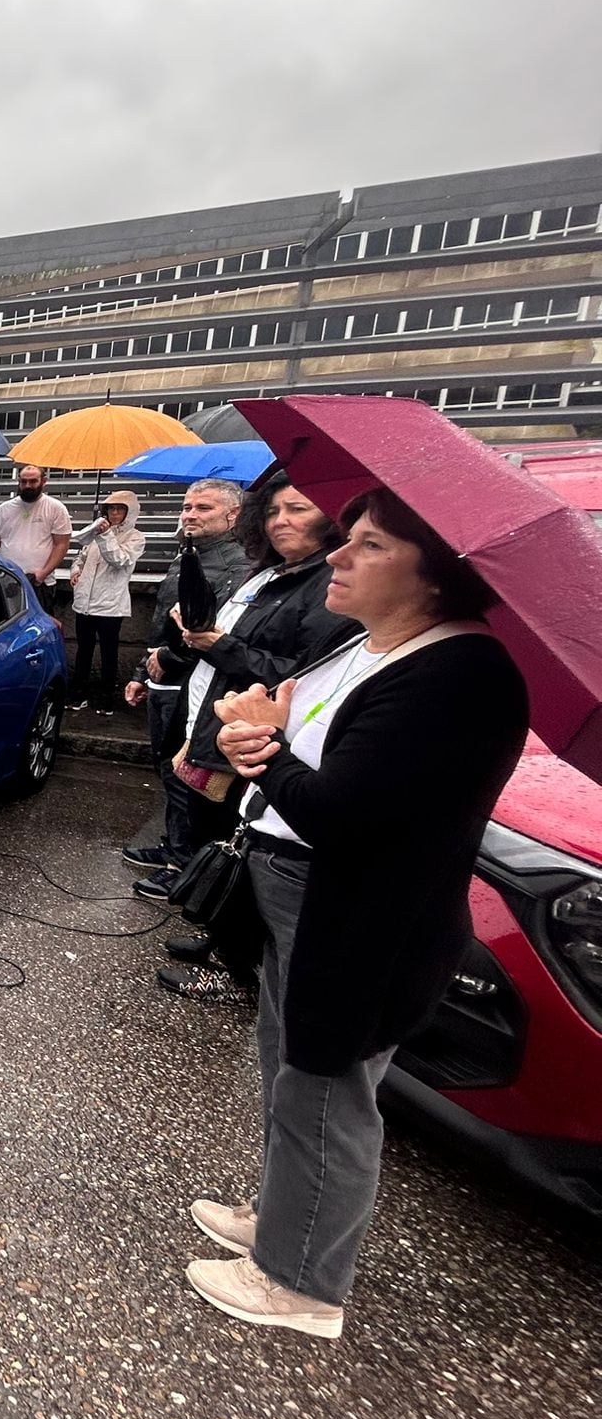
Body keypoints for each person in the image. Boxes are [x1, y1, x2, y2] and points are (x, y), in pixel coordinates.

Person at [188, 487, 527, 1339]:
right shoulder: (376, 645)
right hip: (303, 894)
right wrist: (252, 733)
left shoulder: (458, 674)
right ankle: (283, 1217)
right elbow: (291, 722)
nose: (338, 555)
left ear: (436, 573)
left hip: (358, 916)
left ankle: (302, 1281)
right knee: (289, 1069)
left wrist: (260, 757)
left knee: (327, 1090)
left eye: (369, 546)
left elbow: (346, 810)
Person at [139, 475, 357, 907]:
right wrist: (195, 631)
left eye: (297, 509)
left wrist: (220, 646)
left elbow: (303, 675)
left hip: (250, 735)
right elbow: (224, 634)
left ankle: (217, 929)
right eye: (274, 511)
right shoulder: (268, 573)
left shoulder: (326, 586)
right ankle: (200, 896)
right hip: (207, 717)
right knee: (199, 811)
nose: (281, 521)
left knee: (232, 831)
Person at [119, 479, 249, 877]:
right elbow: (164, 625)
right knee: (167, 767)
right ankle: (175, 847)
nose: (190, 514)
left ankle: (185, 864)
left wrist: (169, 659)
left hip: (194, 685)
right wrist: (144, 671)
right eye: (187, 507)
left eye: (203, 508)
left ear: (233, 516)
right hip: (163, 681)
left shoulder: (237, 569)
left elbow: (222, 635)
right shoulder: (186, 556)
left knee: (188, 774)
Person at [65, 489, 144, 711]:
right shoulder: (96, 533)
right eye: (111, 509)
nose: (115, 513)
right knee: (83, 651)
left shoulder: (135, 537)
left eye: (120, 509)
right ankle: (79, 693)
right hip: (84, 604)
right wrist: (75, 572)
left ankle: (106, 697)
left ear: (129, 512)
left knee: (108, 653)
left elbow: (120, 560)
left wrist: (105, 535)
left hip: (110, 606)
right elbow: (80, 557)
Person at [0, 464, 72, 611]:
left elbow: (61, 545)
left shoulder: (56, 508)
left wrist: (43, 574)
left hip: (39, 583)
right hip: (7, 581)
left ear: (44, 481)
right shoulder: (4, 509)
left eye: (33, 481)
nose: (27, 485)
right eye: (23, 482)